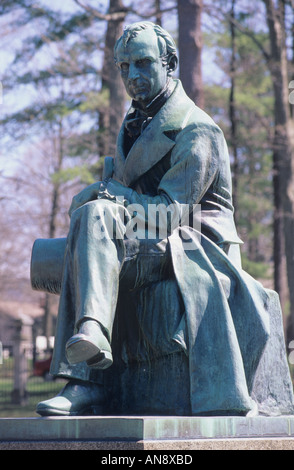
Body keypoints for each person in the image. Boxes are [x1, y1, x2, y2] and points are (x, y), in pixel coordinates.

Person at [36, 21, 271, 417]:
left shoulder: (197, 130)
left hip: (192, 245)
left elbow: (168, 214)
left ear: (170, 63)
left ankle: (86, 373)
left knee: (94, 216)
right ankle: (87, 368)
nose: (132, 77)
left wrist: (105, 193)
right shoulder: (134, 124)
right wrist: (101, 195)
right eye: (124, 67)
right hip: (145, 239)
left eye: (143, 64)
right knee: (76, 234)